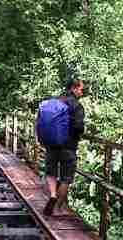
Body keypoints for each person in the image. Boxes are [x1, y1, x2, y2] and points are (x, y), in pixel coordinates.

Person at [37, 78, 85, 216]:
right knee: (66, 178)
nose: (82, 92)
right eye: (81, 89)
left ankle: (52, 194)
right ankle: (58, 208)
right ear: (74, 89)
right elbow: (78, 127)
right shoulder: (77, 106)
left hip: (51, 144)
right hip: (68, 147)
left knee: (51, 172)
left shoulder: (57, 101)